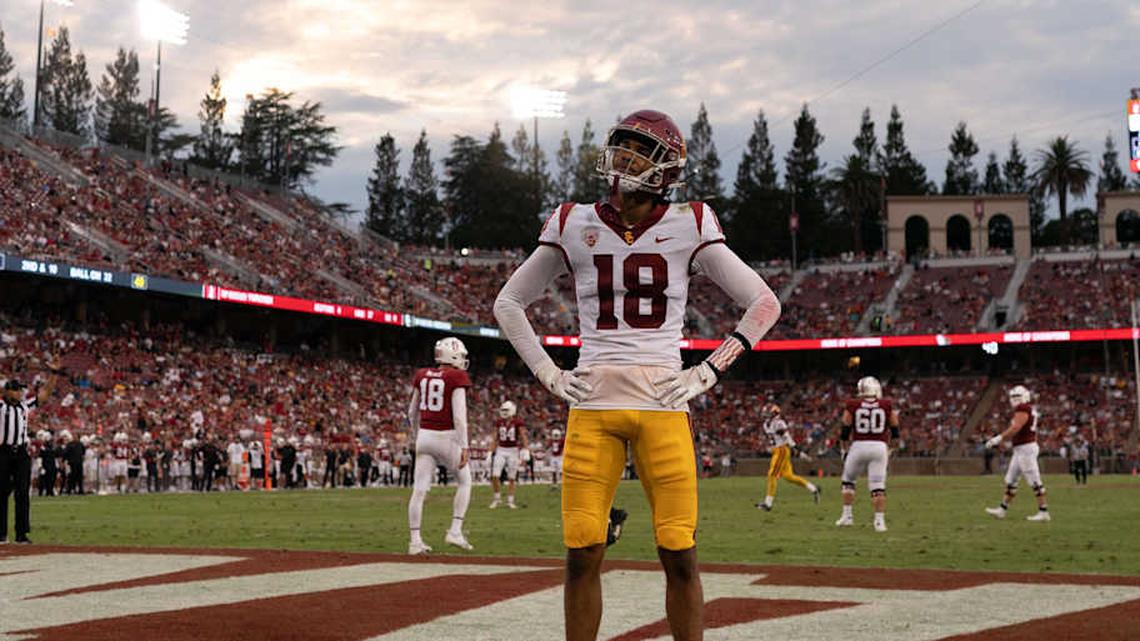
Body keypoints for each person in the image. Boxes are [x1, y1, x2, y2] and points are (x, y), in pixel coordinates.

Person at [493, 109, 781, 641]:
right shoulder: (571, 221)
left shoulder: (691, 221)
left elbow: (764, 303)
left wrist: (708, 372)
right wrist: (548, 373)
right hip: (594, 401)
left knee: (679, 552)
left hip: (663, 402)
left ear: (665, 168)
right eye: (620, 147)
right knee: (581, 548)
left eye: (637, 151)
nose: (622, 159)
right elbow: (508, 302)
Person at [406, 337, 475, 554]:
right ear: (452, 355)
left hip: (425, 435)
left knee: (418, 491)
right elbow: (459, 417)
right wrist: (464, 446)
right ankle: (455, 530)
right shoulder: (457, 376)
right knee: (465, 482)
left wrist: (417, 436)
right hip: (447, 437)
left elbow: (411, 412)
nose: (463, 360)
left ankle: (415, 541)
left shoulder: (421, 374)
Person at [835, 377, 900, 532]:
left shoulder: (853, 404)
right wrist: (891, 449)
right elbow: (895, 431)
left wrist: (844, 450)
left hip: (858, 446)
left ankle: (847, 516)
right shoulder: (886, 404)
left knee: (848, 480)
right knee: (878, 486)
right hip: (879, 447)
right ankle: (879, 522)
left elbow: (845, 431)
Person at [1, 371, 57, 544]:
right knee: (1, 492)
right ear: (8, 391)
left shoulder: (24, 406)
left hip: (22, 453)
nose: (20, 393)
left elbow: (44, 395)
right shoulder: (1, 407)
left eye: (20, 391)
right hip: (3, 451)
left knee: (23, 493)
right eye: (17, 390)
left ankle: (21, 534)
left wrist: (53, 373)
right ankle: (1, 534)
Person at [985, 385, 1051, 521]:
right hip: (1022, 449)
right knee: (1011, 480)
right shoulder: (1028, 409)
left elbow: (1016, 427)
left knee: (1035, 481)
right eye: (1013, 397)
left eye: (1017, 397)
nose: (1015, 400)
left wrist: (999, 438)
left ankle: (1044, 512)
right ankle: (1002, 509)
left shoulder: (1023, 408)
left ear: (1024, 396)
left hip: (1026, 449)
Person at [756, 403, 819, 511]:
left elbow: (787, 439)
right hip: (778, 450)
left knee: (772, 475)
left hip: (781, 450)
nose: (766, 414)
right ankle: (813, 488)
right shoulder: (766, 424)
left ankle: (768, 503)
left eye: (768, 413)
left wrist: (798, 451)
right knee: (788, 476)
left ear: (774, 414)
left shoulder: (779, 423)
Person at [489, 400, 528, 509]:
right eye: (503, 410)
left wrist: (526, 449)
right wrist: (489, 452)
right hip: (501, 449)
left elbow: (523, 436)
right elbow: (495, 438)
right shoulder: (499, 422)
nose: (504, 412)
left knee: (511, 477)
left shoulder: (518, 422)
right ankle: (497, 499)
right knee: (495, 475)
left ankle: (510, 500)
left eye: (506, 410)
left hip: (513, 450)